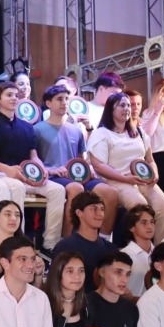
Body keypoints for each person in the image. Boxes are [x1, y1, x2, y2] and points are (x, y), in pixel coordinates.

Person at [0, 81, 66, 254]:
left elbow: (33, 155)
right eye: (9, 95)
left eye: (16, 95)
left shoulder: (27, 127)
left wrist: (41, 169)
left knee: (58, 190)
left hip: (26, 174)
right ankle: (17, 242)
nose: (14, 98)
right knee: (17, 187)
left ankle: (49, 245)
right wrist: (8, 170)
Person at [35, 85, 119, 237]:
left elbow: (81, 159)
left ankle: (103, 240)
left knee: (110, 192)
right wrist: (50, 170)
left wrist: (89, 171)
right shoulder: (37, 129)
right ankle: (65, 240)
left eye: (66, 99)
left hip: (76, 175)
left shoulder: (76, 130)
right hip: (53, 176)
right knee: (76, 188)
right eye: (59, 99)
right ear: (48, 103)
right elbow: (33, 161)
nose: (64, 103)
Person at [87, 93, 164, 242]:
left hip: (143, 181)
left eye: (128, 105)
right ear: (111, 109)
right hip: (117, 181)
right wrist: (126, 179)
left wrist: (155, 173)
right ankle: (140, 248)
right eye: (122, 105)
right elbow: (98, 166)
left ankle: (161, 249)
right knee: (141, 207)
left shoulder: (139, 132)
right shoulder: (101, 134)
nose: (127, 108)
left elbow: (150, 160)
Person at [51, 192, 118, 293]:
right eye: (94, 209)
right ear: (79, 213)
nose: (100, 214)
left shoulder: (111, 249)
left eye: (102, 209)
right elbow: (55, 283)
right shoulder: (65, 247)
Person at [120, 204, 156, 298]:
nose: (150, 226)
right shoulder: (124, 255)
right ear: (132, 227)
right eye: (144, 222)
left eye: (152, 222)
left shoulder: (161, 254)